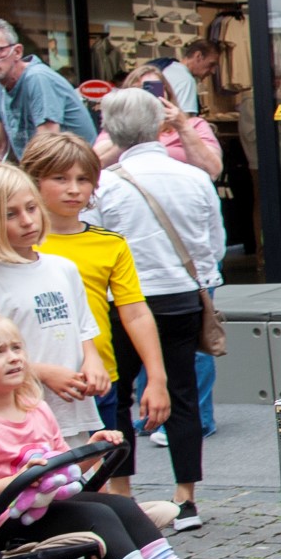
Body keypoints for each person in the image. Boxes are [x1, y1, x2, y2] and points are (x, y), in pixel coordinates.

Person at [0, 311, 237, 559]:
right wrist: (17, 480)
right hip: (4, 525)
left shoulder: (35, 408)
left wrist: (92, 452)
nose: (13, 358)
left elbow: (60, 469)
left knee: (121, 504)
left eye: (16, 348)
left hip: (46, 507)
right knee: (99, 517)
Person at [87, 89, 223, 530]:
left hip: (122, 301)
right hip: (182, 296)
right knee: (182, 393)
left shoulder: (106, 183)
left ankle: (122, 494)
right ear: (160, 125)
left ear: (110, 130)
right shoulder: (192, 177)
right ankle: (186, 498)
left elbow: (97, 245)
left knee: (117, 397)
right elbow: (213, 244)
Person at [20, 134, 171, 498]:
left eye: (83, 179)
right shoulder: (15, 246)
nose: (74, 190)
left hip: (98, 378)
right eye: (60, 178)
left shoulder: (109, 243)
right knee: (41, 482)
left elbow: (134, 312)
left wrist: (156, 376)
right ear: (34, 180)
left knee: (110, 479)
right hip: (28, 384)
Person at [0, 165, 106, 442]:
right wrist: (43, 372)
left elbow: (83, 327)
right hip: (17, 422)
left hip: (73, 408)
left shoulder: (64, 268)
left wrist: (92, 360)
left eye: (31, 208)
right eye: (10, 215)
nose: (28, 221)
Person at [0, 18, 97, 166]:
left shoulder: (37, 78)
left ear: (17, 52)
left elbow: (48, 147)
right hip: (41, 170)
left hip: (72, 171)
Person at [94, 62, 223, 179]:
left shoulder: (194, 125)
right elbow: (96, 165)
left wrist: (183, 127)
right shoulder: (116, 128)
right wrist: (131, 130)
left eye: (153, 89)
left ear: (167, 92)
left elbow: (212, 171)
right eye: (138, 90)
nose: (146, 97)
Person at [157, 39, 220, 114]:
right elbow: (186, 121)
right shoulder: (187, 80)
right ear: (198, 56)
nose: (213, 71)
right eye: (211, 64)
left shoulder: (167, 68)